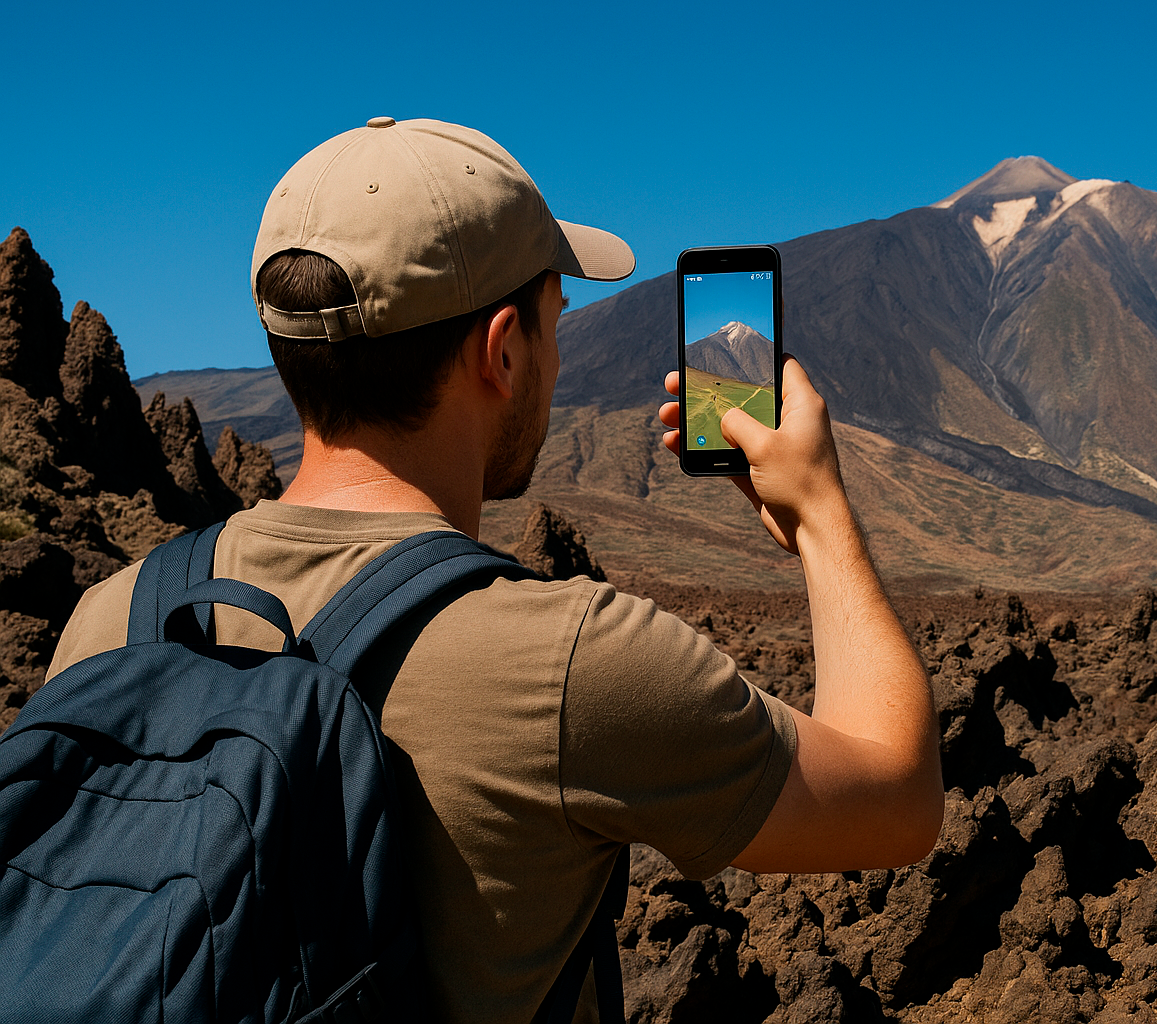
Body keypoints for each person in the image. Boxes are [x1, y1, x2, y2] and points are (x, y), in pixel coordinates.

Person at [46, 117, 942, 1022]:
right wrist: (822, 513)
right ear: (503, 350)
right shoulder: (577, 659)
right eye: (557, 321)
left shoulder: (112, 623)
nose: (557, 359)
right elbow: (898, 798)